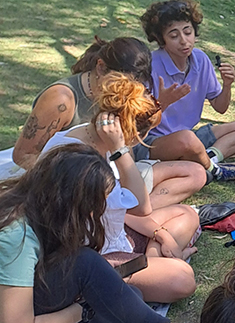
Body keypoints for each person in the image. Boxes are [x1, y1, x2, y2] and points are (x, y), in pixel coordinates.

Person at [0, 147, 197, 323]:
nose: (97, 213)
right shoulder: (17, 234)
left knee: (127, 298)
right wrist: (80, 310)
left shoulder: (35, 209)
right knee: (88, 267)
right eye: (95, 204)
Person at [41, 73, 199, 304]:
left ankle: (151, 259)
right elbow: (142, 208)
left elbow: (121, 209)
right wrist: (120, 151)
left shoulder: (94, 132)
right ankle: (140, 271)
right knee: (183, 279)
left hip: (111, 232)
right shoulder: (81, 160)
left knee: (186, 214)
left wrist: (161, 234)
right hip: (88, 255)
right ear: (132, 134)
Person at [8, 35, 206, 206]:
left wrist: (158, 107)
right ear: (101, 68)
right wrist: (82, 183)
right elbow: (23, 155)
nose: (127, 90)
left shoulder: (128, 93)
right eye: (122, 83)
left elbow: (129, 142)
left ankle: (128, 215)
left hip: (114, 175)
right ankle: (129, 216)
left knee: (196, 173)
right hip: (69, 185)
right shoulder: (62, 99)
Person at [138, 0, 235, 181]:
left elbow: (220, 107)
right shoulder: (150, 65)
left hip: (190, 138)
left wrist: (227, 85)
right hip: (153, 143)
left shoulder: (200, 60)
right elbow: (136, 124)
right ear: (161, 40)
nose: (184, 41)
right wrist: (161, 104)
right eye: (173, 35)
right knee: (186, 139)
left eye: (188, 32)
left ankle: (208, 160)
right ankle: (213, 170)